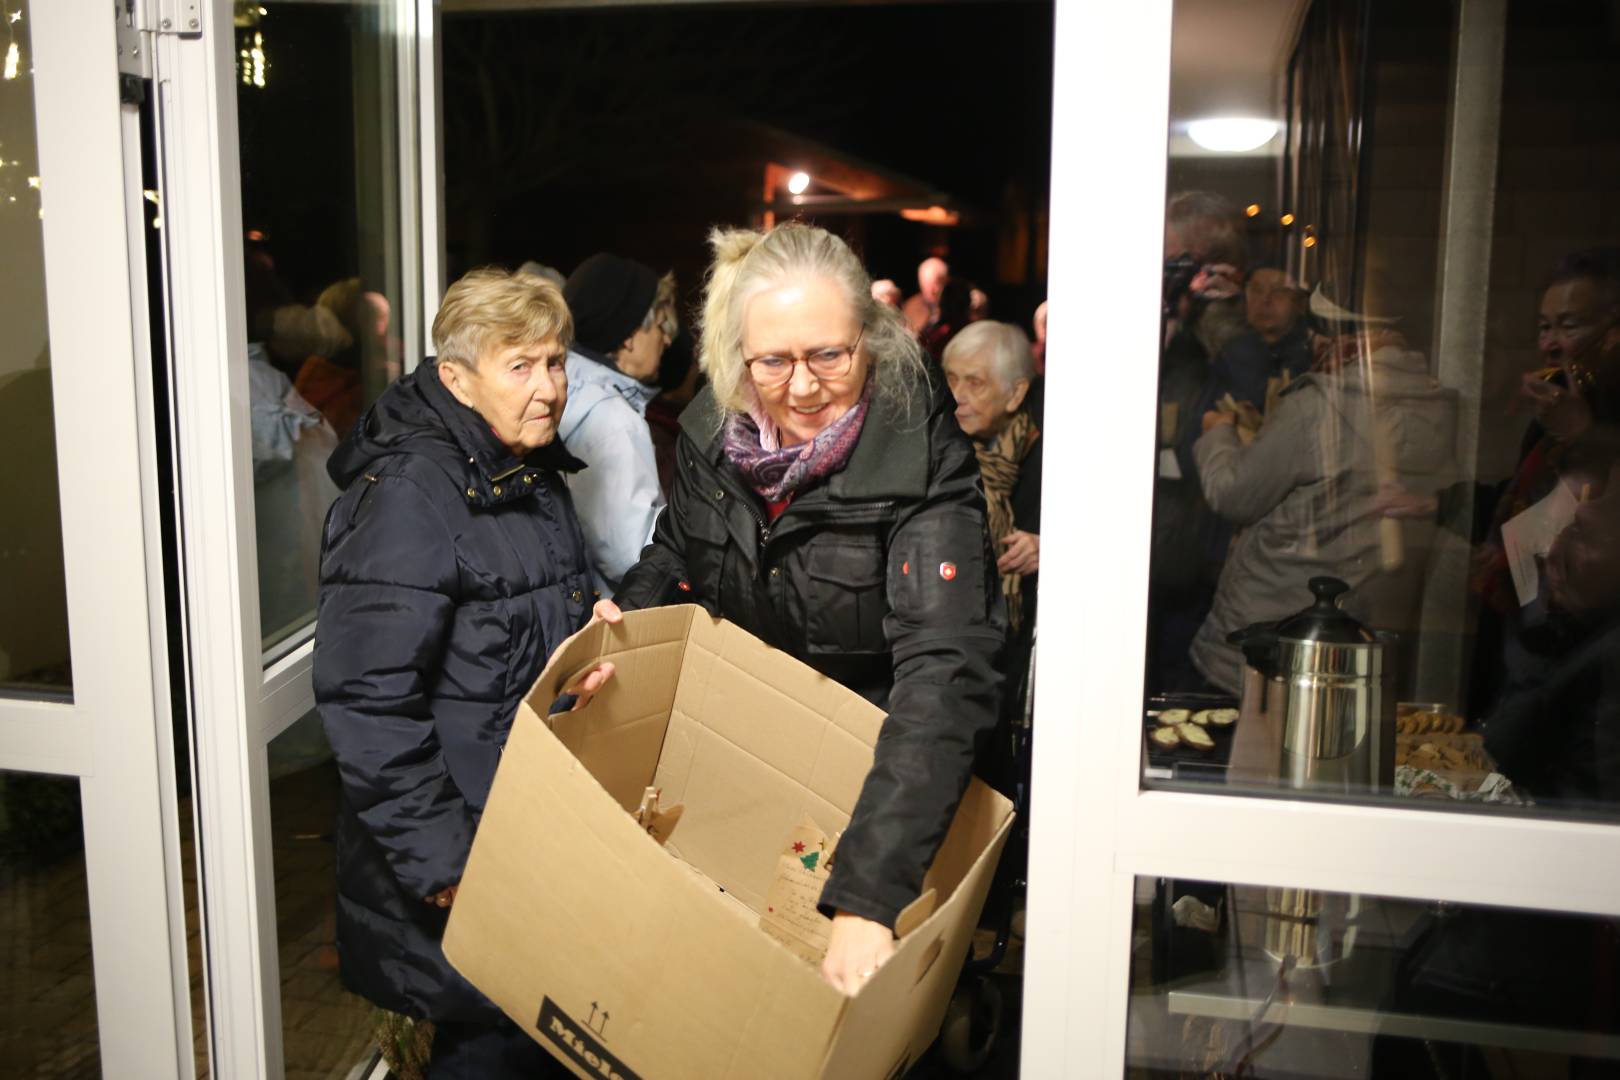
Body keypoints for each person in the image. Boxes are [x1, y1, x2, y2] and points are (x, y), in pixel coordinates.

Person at [577, 222, 1004, 996]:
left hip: (878, 793)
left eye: (829, 356)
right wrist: (626, 633)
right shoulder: (716, 422)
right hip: (751, 767)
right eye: (773, 361)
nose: (802, 387)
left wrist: (872, 895)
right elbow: (678, 548)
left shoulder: (922, 455)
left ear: (869, 338)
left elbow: (946, 669)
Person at [313, 268, 595, 1078]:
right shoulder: (409, 493)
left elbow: (509, 626)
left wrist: (587, 635)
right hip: (462, 862)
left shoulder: (519, 466)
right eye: (522, 365)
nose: (548, 388)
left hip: (520, 836)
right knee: (484, 1055)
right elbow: (367, 700)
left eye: (556, 362)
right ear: (455, 378)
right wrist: (444, 864)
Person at [1188, 294, 1459, 694]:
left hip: (1271, 638)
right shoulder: (1439, 404)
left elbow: (1233, 495)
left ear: (1335, 335)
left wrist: (1218, 434)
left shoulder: (1318, 406)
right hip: (1356, 643)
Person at [558, 253, 676, 597]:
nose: (666, 340)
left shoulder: (565, 391)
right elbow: (634, 553)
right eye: (659, 326)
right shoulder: (613, 419)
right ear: (629, 335)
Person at [942, 320, 1042, 639]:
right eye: (952, 379)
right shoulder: (939, 451)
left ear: (1016, 393)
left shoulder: (1054, 458)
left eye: (975, 383)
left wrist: (1048, 548)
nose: (957, 396)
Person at [903, 255, 949, 334]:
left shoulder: (956, 304)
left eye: (936, 284)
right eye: (926, 285)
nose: (932, 291)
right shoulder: (912, 307)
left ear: (946, 281)